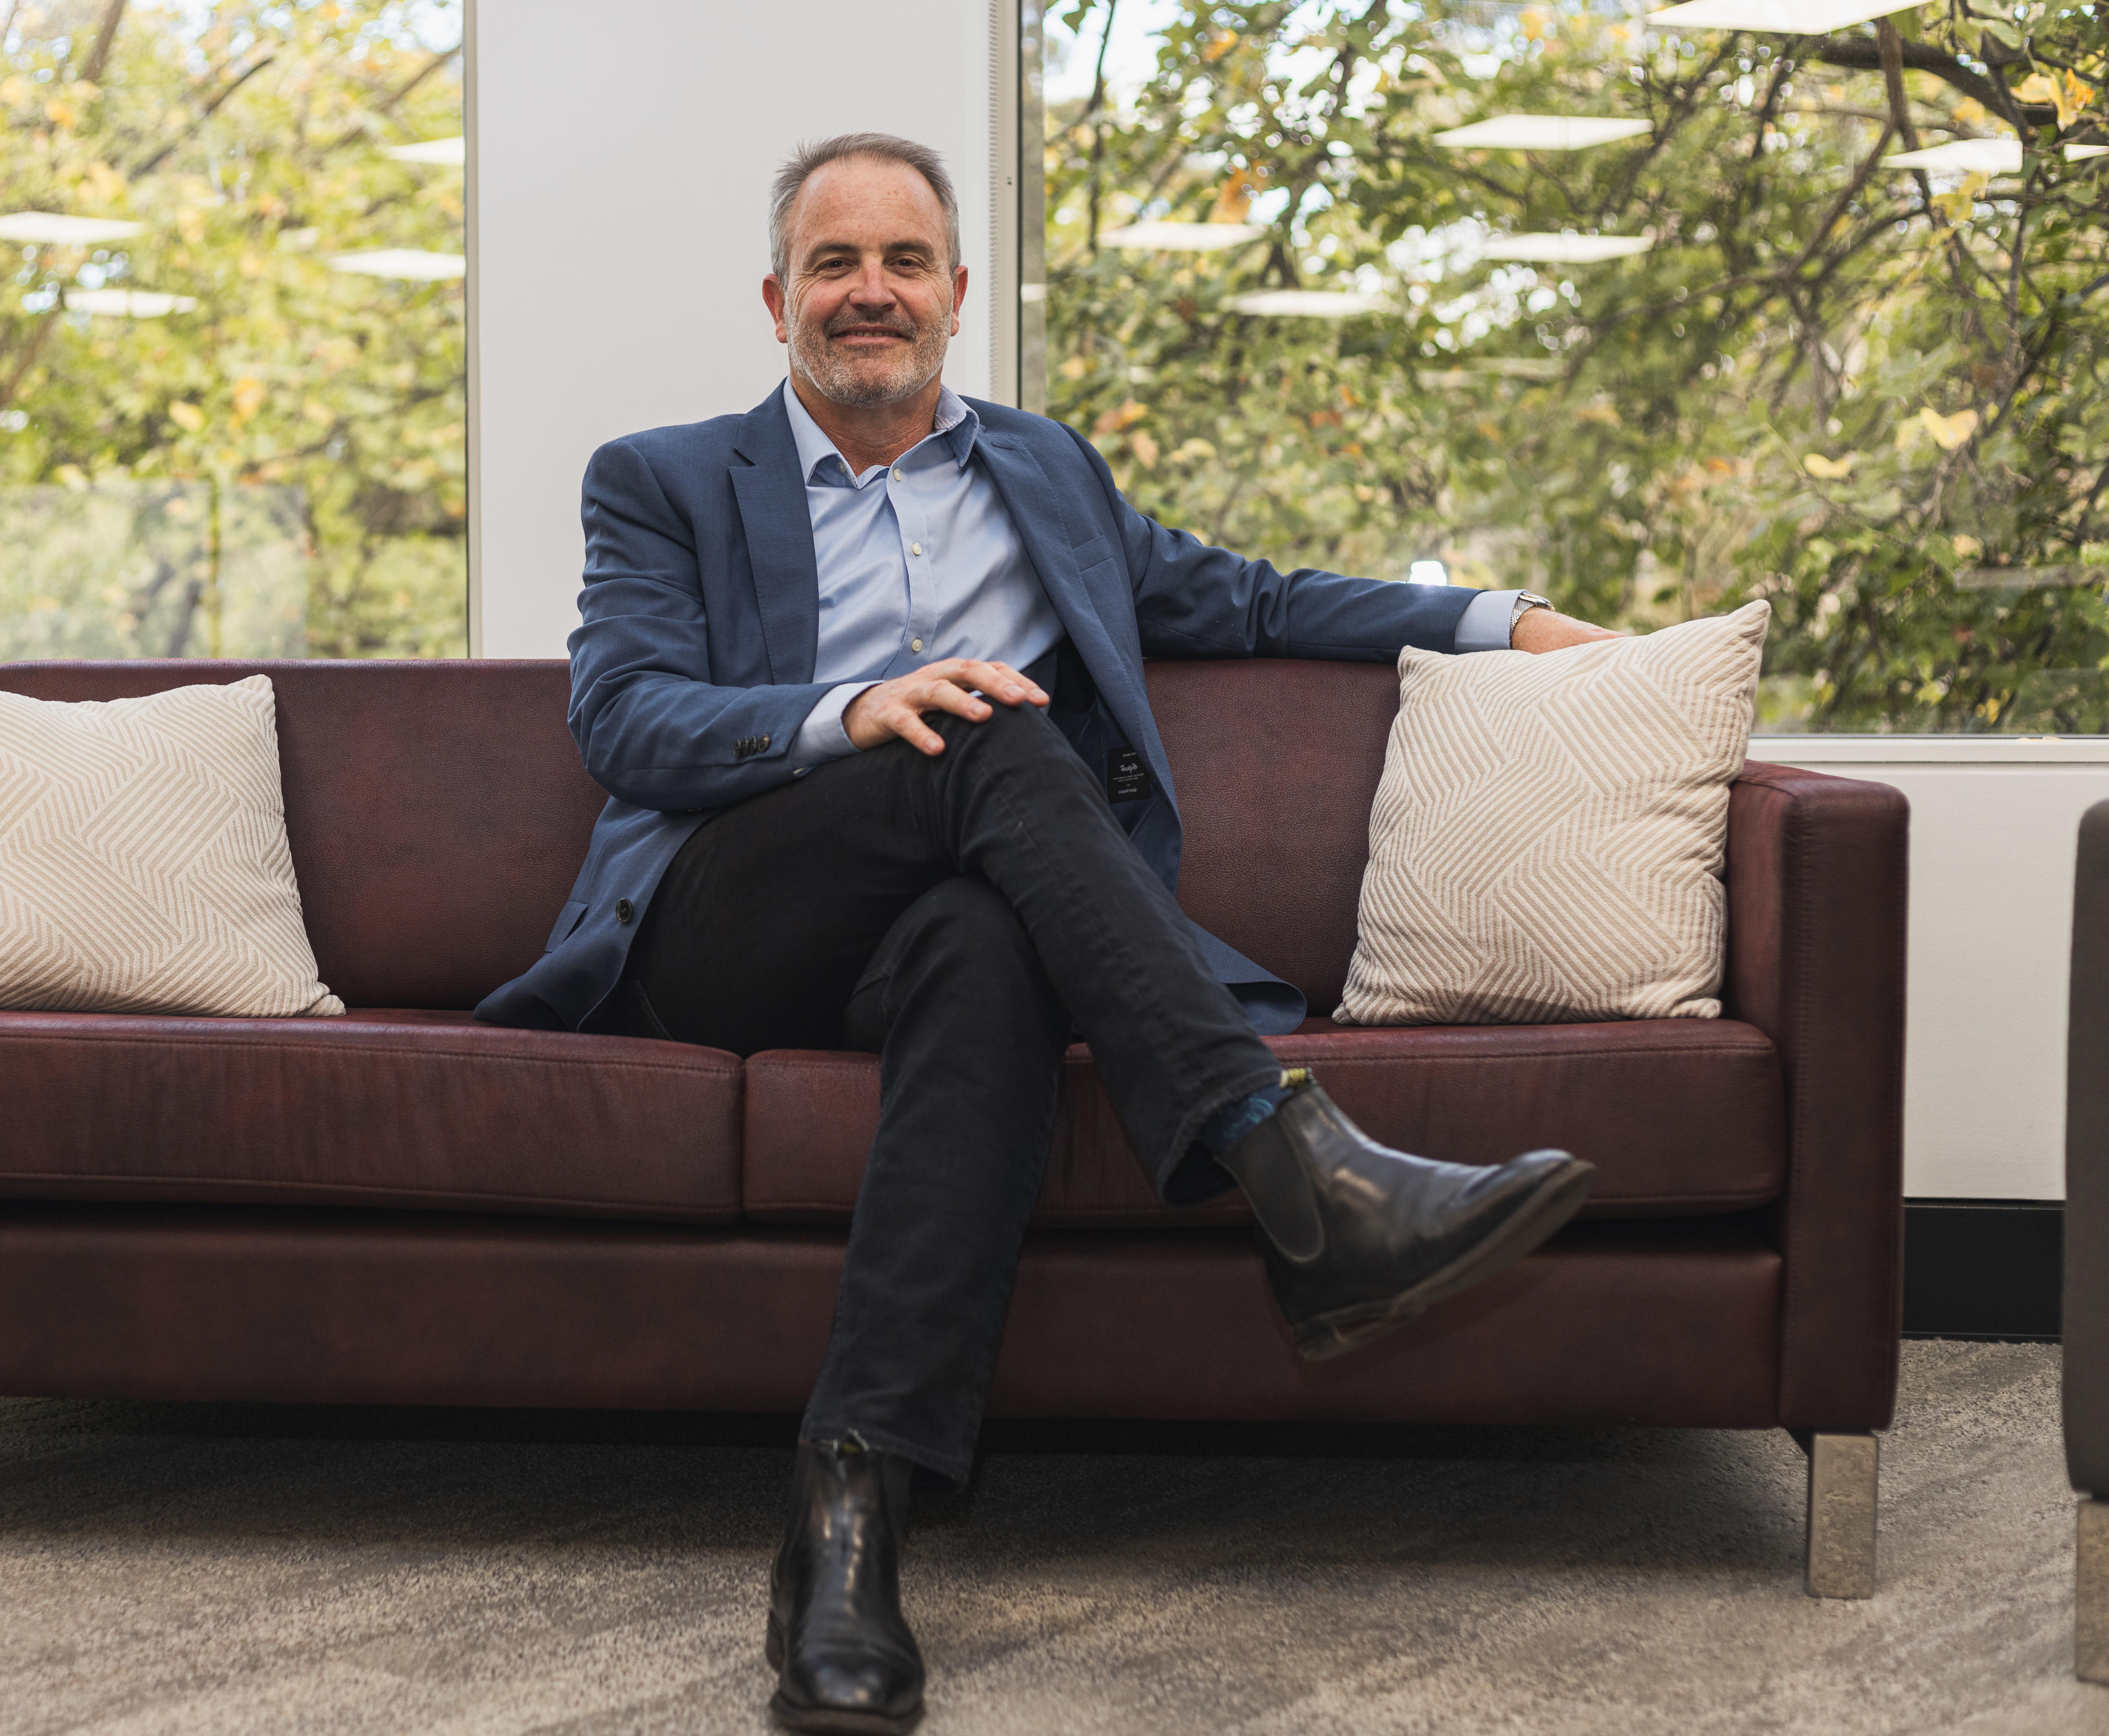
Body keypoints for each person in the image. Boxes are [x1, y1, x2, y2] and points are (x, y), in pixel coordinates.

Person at [476, 132, 1618, 1736]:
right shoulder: (662, 479)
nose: (868, 291)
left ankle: (849, 1520)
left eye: (902, 263)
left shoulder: (1047, 471)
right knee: (998, 729)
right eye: (833, 263)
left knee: (989, 946)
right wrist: (856, 710)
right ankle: (1300, 1169)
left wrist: (1500, 621)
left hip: (936, 917)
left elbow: (1254, 600)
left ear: (955, 294)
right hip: (734, 907)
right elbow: (627, 716)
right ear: (776, 299)